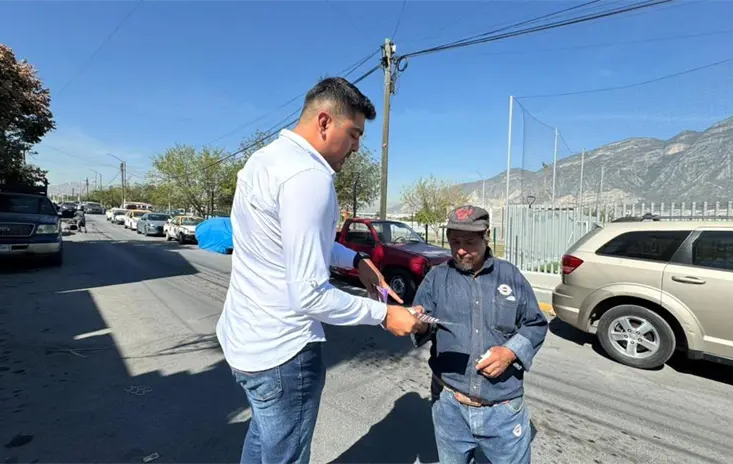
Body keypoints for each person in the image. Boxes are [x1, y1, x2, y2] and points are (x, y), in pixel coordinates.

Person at [215, 77, 425, 464]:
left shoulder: (263, 161)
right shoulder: (308, 177)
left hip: (245, 341)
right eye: (355, 134)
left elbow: (298, 240)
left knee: (262, 442)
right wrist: (384, 315)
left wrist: (356, 260)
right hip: (283, 354)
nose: (358, 147)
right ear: (325, 122)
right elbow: (310, 294)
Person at [411, 205, 548, 464]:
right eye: (454, 242)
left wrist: (510, 352)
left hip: (503, 409)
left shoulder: (511, 276)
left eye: (470, 242)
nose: (461, 249)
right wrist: (417, 323)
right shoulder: (436, 278)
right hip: (449, 405)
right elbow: (423, 324)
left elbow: (535, 324)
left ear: (486, 236)